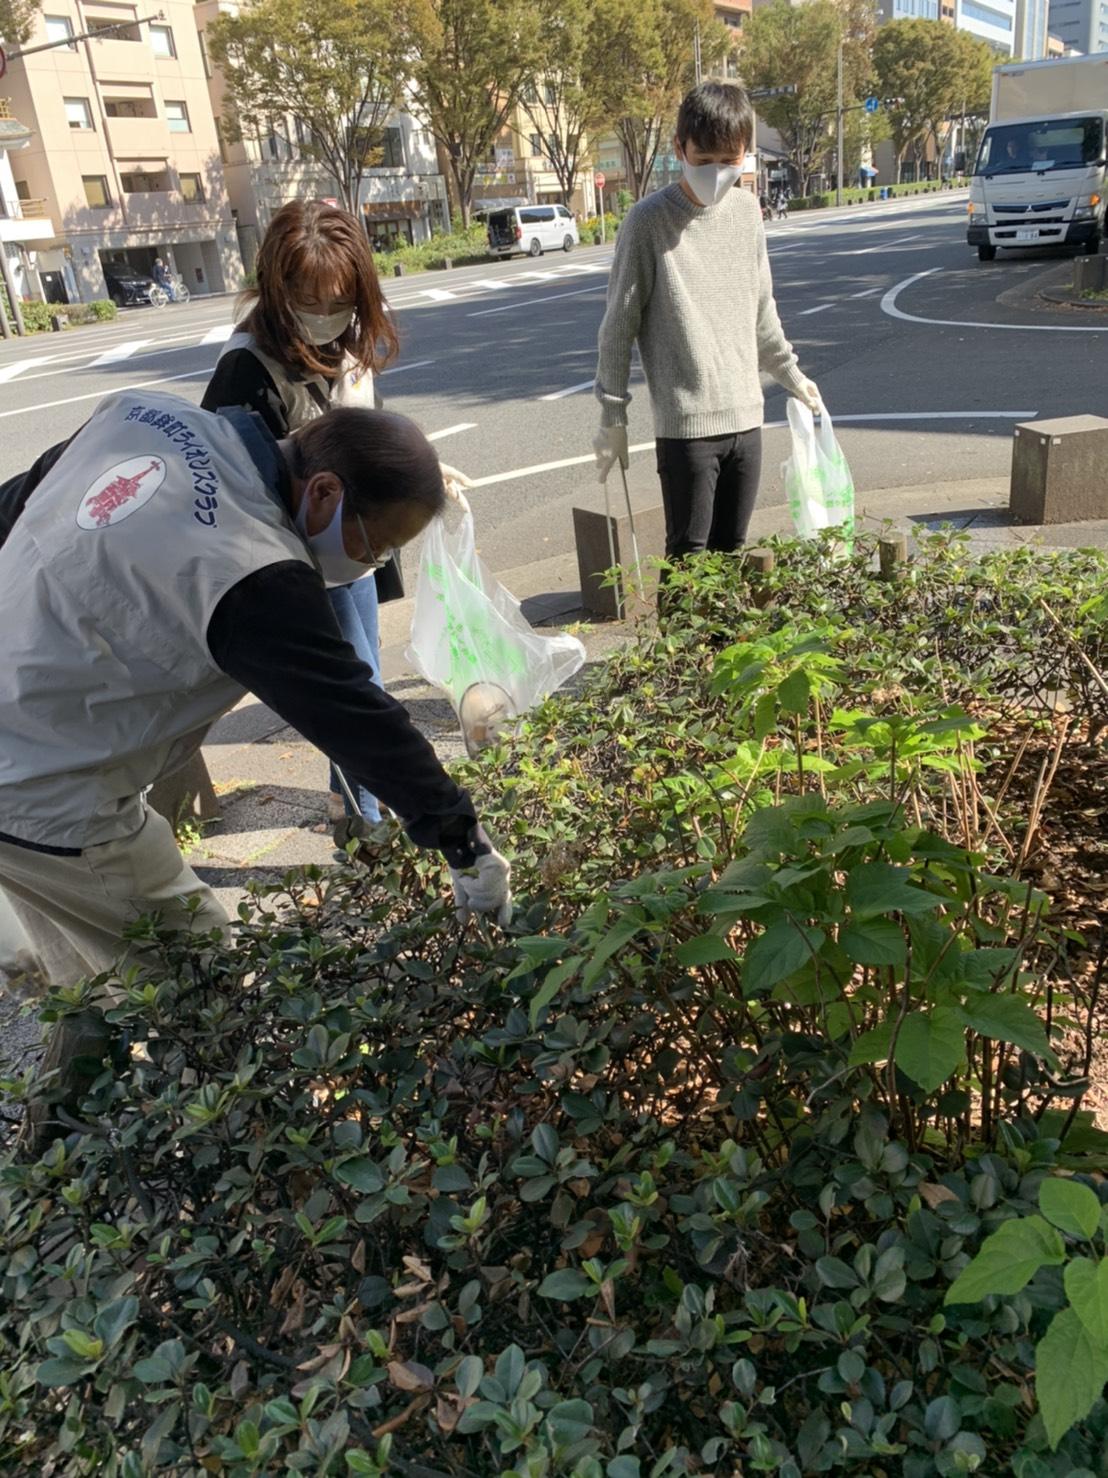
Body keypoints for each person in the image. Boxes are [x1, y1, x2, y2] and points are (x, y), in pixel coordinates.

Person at [0, 389, 511, 1147]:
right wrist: (462, 839)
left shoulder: (140, 415)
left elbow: (16, 505)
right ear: (324, 491)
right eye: (375, 547)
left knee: (97, 976)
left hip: (31, 744)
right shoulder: (249, 567)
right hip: (46, 789)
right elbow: (352, 712)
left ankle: (50, 1157)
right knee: (203, 978)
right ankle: (263, 1158)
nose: (370, 564)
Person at [202, 201, 470, 830]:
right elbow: (236, 488)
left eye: (341, 299)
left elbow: (364, 434)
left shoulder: (347, 346)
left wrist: (418, 472)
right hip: (299, 561)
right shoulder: (248, 369)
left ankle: (356, 809)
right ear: (276, 288)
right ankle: (363, 820)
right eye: (308, 298)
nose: (325, 314)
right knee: (353, 686)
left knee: (363, 678)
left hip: (351, 550)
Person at [593, 81, 822, 568]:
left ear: (745, 154)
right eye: (704, 160)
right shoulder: (647, 222)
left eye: (729, 160)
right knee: (688, 562)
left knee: (732, 556)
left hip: (748, 418)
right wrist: (613, 417)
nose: (717, 173)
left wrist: (793, 376)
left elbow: (761, 311)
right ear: (680, 148)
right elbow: (618, 328)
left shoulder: (747, 212)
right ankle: (681, 628)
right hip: (687, 428)